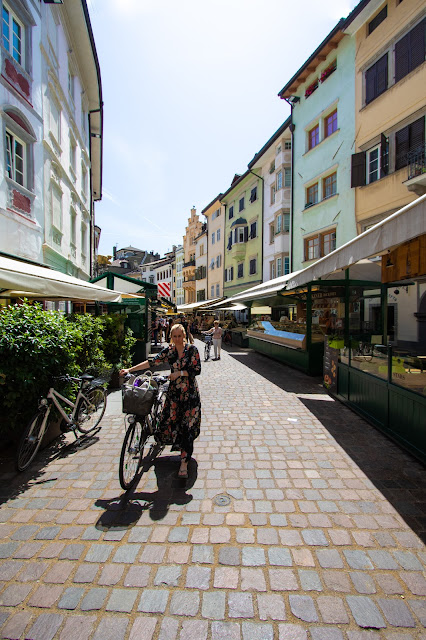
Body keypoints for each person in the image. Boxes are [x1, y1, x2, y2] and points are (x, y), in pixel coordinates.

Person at [120, 324, 201, 479]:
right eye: (175, 336)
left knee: (187, 426)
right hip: (174, 394)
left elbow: (196, 370)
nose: (177, 339)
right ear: (171, 336)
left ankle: (184, 461)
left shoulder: (192, 350)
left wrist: (180, 373)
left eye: (180, 336)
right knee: (170, 421)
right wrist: (130, 370)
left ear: (184, 335)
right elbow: (151, 363)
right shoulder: (169, 351)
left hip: (189, 394)